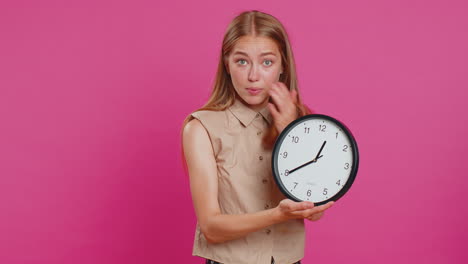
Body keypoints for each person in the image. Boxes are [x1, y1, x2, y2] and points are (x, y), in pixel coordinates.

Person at [181, 10, 334, 264]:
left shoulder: (302, 124)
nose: (254, 76)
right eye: (242, 61)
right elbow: (211, 227)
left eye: (266, 62)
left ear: (282, 65)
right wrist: (277, 215)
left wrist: (288, 129)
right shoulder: (201, 128)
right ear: (227, 64)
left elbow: (314, 208)